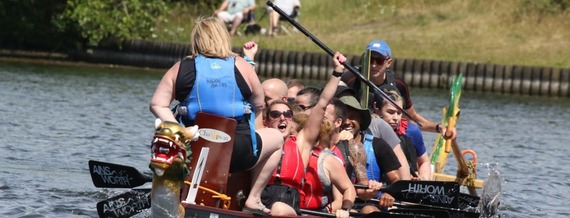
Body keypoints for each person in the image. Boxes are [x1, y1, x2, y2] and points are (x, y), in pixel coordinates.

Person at [149, 17, 281, 215]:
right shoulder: (242, 65)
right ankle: (253, 198)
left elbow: (157, 104)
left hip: (192, 149)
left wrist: (180, 131)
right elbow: (260, 103)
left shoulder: (181, 68)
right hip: (237, 152)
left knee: (166, 138)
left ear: (197, 40)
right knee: (278, 139)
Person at [260, 52, 347, 216]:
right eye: (275, 115)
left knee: (278, 209)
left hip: (288, 202)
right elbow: (256, 101)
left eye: (287, 114)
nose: (282, 118)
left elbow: (321, 104)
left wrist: (337, 72)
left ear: (292, 120)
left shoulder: (301, 143)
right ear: (267, 120)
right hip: (262, 198)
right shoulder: (261, 136)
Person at [341, 40, 456, 139]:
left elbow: (412, 118)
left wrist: (438, 127)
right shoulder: (349, 79)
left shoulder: (399, 85)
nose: (374, 65)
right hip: (351, 132)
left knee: (412, 131)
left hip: (384, 137)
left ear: (389, 62)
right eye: (370, 60)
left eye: (379, 60)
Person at [374, 89, 430, 180]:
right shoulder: (369, 130)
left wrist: (423, 179)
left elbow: (424, 162)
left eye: (399, 113)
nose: (396, 118)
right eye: (390, 112)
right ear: (377, 109)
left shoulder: (411, 131)